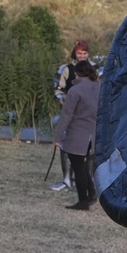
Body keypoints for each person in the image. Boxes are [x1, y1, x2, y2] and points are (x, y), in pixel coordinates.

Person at [51, 59, 99, 211]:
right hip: (94, 133)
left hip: (77, 133)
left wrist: (58, 137)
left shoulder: (75, 91)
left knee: (78, 167)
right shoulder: (100, 87)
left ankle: (83, 201)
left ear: (77, 73)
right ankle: (91, 192)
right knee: (83, 166)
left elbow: (66, 116)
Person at [50, 40, 92, 191]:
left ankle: (86, 181)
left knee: (89, 148)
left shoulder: (95, 69)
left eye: (85, 53)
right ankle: (67, 179)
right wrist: (64, 100)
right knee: (65, 145)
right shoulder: (66, 69)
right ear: (75, 53)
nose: (82, 56)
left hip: (89, 114)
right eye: (79, 53)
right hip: (71, 111)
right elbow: (57, 89)